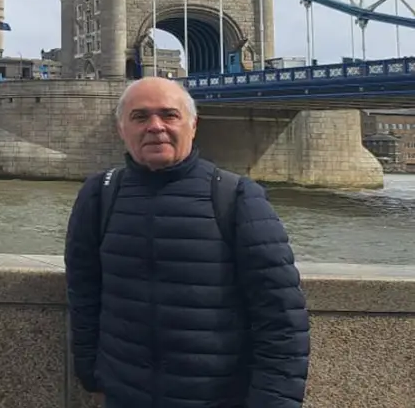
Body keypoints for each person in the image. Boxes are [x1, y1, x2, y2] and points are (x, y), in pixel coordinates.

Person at [64, 76, 309, 408]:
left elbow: (280, 317)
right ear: (121, 129)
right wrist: (91, 376)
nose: (155, 126)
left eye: (169, 115)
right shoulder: (98, 195)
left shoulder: (236, 197)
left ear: (193, 125)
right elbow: (83, 295)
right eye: (140, 116)